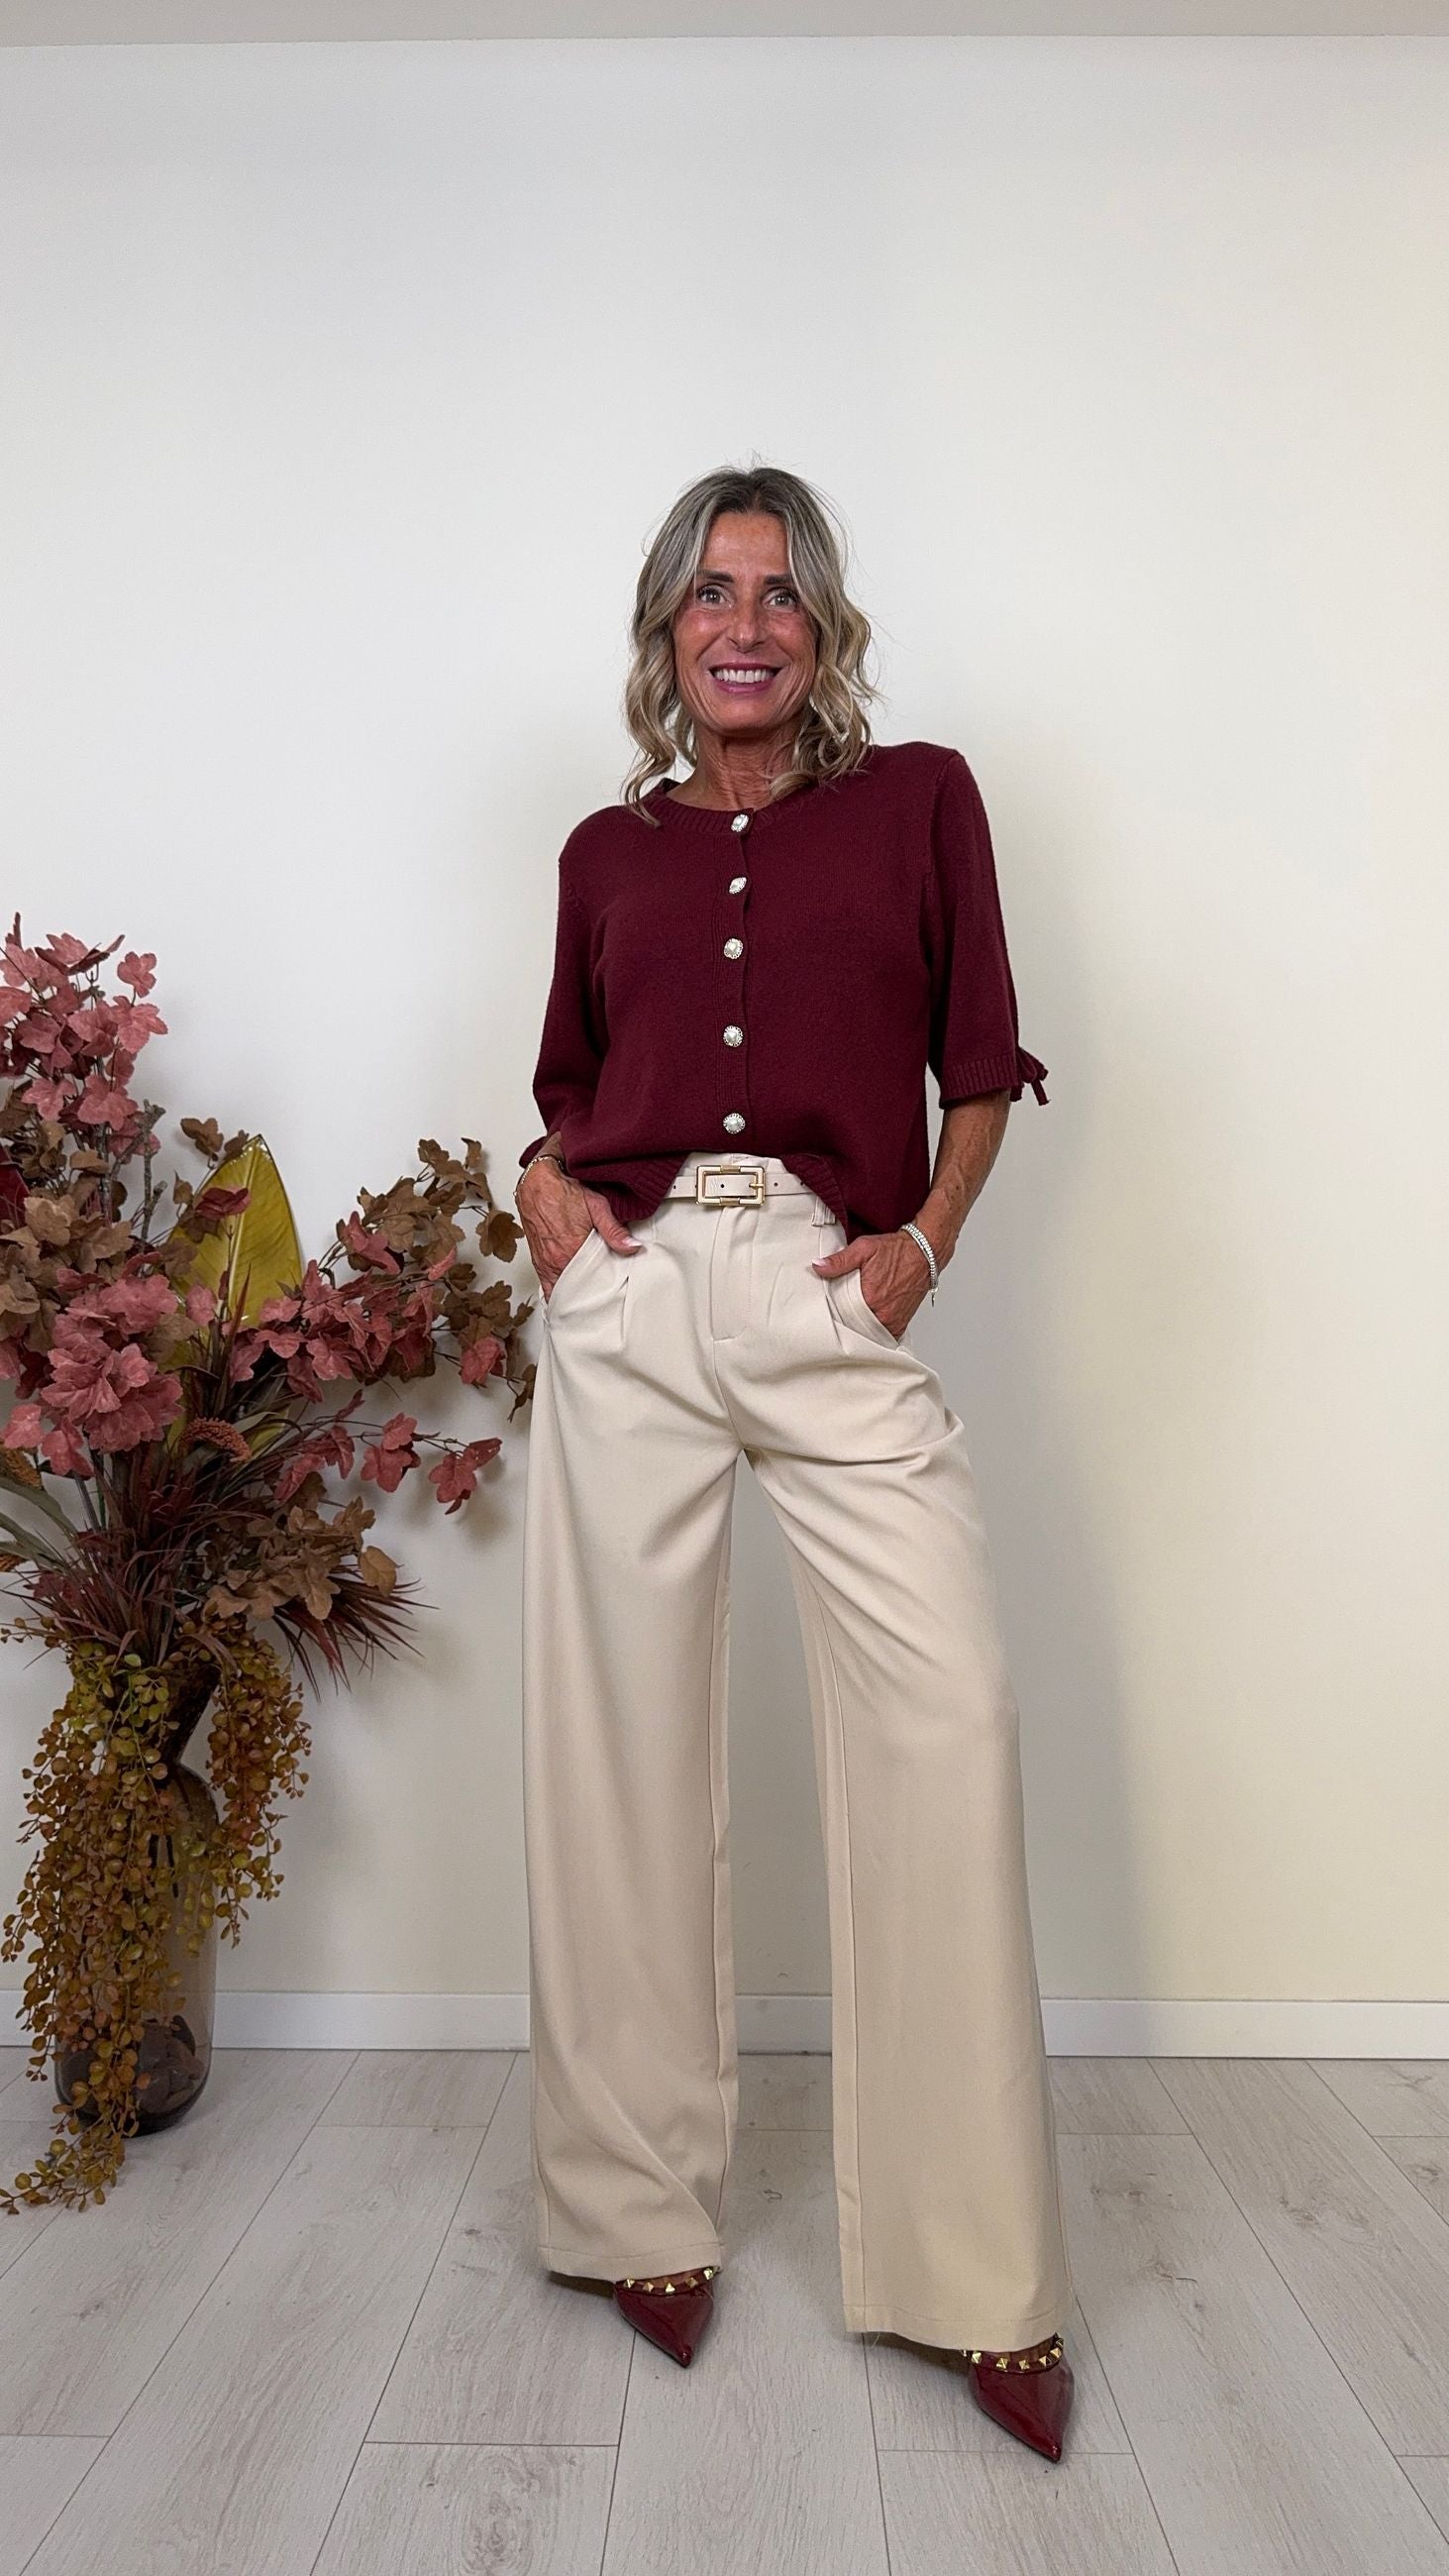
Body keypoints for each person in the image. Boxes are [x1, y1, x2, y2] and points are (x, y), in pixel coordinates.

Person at [513, 463, 1075, 2462]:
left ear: (822, 630)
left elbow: (983, 1061)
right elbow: (571, 1090)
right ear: (666, 631)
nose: (742, 625)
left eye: (777, 593)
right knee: (618, 1755)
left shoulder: (921, 801)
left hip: (837, 1287)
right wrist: (536, 1183)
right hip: (636, 1300)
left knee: (947, 1719)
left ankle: (973, 2266)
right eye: (708, 593)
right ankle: (629, 2211)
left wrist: (927, 1240)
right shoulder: (605, 851)